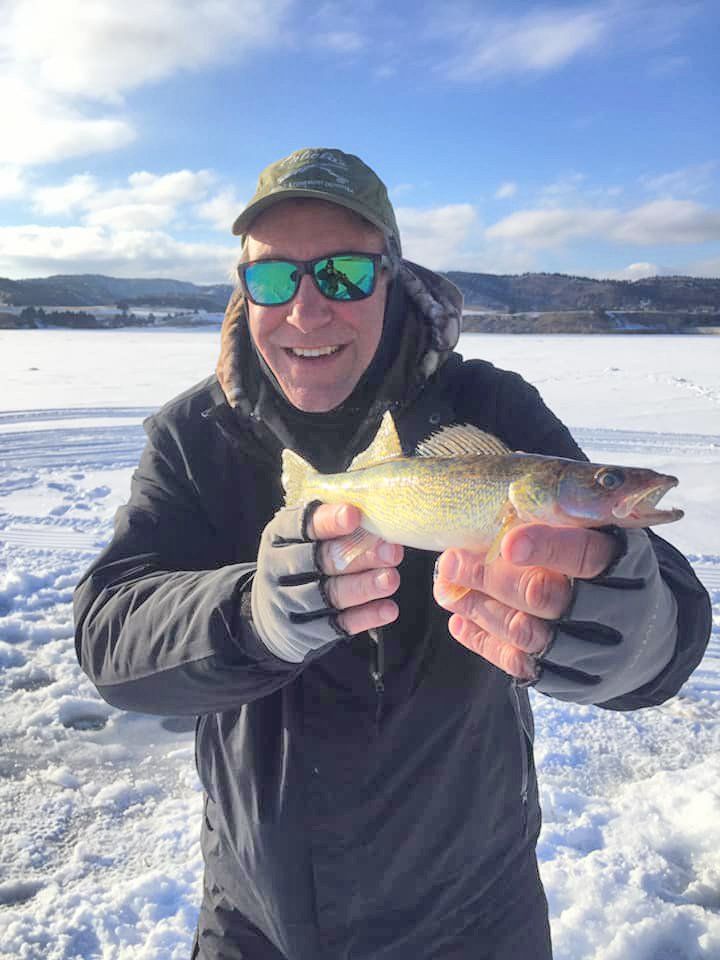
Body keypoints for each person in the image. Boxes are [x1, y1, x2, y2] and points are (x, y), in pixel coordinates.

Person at [74, 147, 711, 960]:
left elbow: (671, 622)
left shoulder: (493, 408)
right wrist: (253, 617)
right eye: (273, 279)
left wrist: (626, 625)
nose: (307, 311)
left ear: (392, 277)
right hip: (254, 922)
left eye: (342, 274)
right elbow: (111, 638)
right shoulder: (192, 438)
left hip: (476, 917)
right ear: (242, 291)